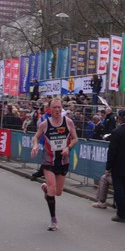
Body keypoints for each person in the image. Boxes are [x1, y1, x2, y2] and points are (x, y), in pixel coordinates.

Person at [30, 97, 78, 231]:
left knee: (58, 192)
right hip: (48, 160)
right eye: (54, 107)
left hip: (63, 160)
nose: (57, 110)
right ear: (49, 109)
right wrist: (35, 146)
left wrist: (68, 147)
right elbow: (36, 137)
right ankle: (53, 220)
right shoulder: (44, 124)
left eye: (59, 107)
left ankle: (46, 189)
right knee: (53, 188)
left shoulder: (68, 122)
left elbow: (75, 138)